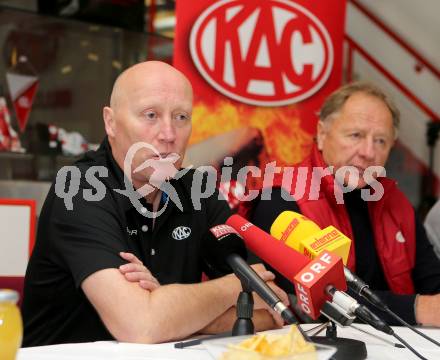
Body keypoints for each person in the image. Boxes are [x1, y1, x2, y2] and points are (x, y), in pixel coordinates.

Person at [22, 61, 288, 346]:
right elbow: (142, 326)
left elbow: (273, 305)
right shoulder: (78, 188)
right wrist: (234, 286)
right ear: (110, 122)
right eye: (151, 115)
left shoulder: (197, 190)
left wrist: (166, 304)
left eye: (181, 117)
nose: (169, 134)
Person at [251, 82, 440, 326]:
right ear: (321, 134)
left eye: (381, 141)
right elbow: (319, 299)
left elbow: (433, 280)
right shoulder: (281, 199)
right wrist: (417, 309)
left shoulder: (397, 204)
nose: (368, 152)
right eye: (356, 135)